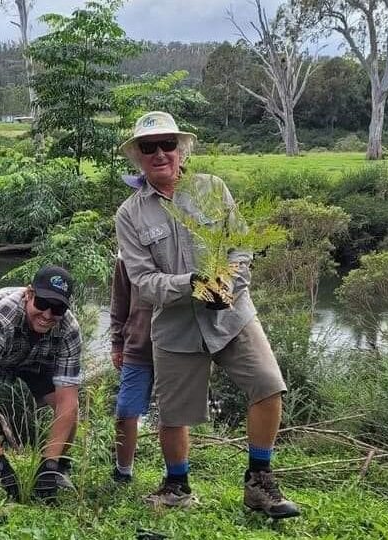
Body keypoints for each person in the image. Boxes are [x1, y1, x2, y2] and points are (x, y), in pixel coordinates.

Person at [114, 111, 300, 518]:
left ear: (182, 150)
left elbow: (241, 247)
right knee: (174, 412)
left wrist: (228, 285)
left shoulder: (213, 189)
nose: (160, 153)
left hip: (232, 316)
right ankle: (177, 486)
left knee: (268, 384)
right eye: (149, 147)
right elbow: (143, 282)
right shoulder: (129, 214)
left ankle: (260, 483)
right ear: (138, 156)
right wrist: (195, 284)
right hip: (175, 325)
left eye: (168, 145)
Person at [0, 266, 82, 503]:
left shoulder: (69, 330)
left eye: (58, 308)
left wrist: (49, 462)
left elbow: (68, 401)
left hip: (37, 358)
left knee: (69, 413)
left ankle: (57, 468)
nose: (47, 315)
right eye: (42, 303)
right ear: (29, 294)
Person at [109, 251, 154, 483]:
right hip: (137, 342)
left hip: (178, 344)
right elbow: (120, 298)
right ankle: (123, 472)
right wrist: (117, 342)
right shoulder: (128, 246)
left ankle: (175, 478)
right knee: (126, 410)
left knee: (174, 414)